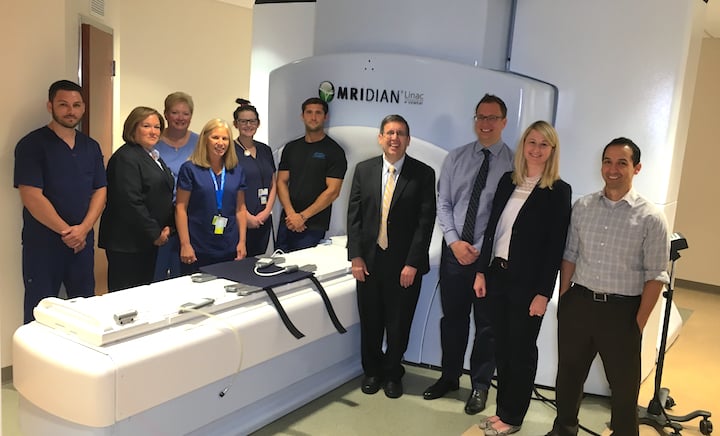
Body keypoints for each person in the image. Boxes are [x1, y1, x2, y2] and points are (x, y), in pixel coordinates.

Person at [546, 137, 670, 436]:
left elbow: (656, 275)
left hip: (622, 311)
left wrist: (637, 323)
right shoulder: (583, 206)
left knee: (624, 388)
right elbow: (570, 255)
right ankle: (564, 429)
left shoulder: (651, 217)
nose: (612, 169)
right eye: (607, 161)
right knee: (569, 377)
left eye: (622, 163)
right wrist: (565, 299)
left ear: (636, 168)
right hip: (579, 303)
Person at [472, 121, 571, 435]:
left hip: (528, 288)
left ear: (552, 151)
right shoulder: (508, 181)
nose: (536, 149)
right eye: (532, 142)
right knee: (501, 348)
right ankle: (502, 412)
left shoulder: (558, 190)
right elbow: (492, 231)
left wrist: (544, 293)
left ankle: (513, 418)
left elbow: (555, 247)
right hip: (497, 276)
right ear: (523, 145)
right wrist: (480, 271)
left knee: (521, 351)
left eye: (544, 144)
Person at [424, 94, 514, 415]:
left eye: (492, 118)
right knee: (453, 320)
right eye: (480, 117)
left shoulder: (514, 165)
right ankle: (449, 377)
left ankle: (479, 386)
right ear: (474, 120)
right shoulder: (455, 158)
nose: (485, 124)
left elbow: (510, 217)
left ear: (504, 122)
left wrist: (482, 251)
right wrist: (453, 242)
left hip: (490, 262)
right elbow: (444, 203)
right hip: (455, 254)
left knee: (487, 326)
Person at [347, 114, 436, 399]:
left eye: (400, 133)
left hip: (404, 266)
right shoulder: (364, 170)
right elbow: (355, 217)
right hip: (369, 263)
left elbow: (426, 222)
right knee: (371, 321)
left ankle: (393, 372)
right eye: (389, 132)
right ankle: (372, 371)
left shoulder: (422, 174)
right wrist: (356, 257)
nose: (394, 138)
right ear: (380, 138)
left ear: (408, 140)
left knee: (399, 324)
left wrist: (412, 262)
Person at [13, 79, 107, 323]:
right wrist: (68, 232)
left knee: (86, 309)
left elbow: (100, 190)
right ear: (50, 106)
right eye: (63, 104)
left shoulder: (91, 146)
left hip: (82, 244)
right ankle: (35, 362)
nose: (71, 111)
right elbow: (32, 196)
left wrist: (83, 230)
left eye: (76, 105)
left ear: (83, 108)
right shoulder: (31, 145)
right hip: (44, 245)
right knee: (40, 311)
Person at [99, 107, 175, 291]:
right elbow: (130, 202)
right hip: (128, 244)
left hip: (146, 241)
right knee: (126, 299)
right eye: (146, 126)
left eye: (157, 127)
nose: (153, 131)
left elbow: (161, 194)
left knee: (142, 295)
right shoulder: (126, 157)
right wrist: (155, 233)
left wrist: (168, 227)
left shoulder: (151, 155)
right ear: (133, 128)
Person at [276, 97, 347, 252]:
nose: (313, 117)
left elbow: (333, 191)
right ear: (302, 116)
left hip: (313, 225)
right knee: (276, 268)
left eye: (318, 113)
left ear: (325, 117)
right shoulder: (291, 148)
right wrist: (291, 214)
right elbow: (281, 181)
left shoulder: (334, 151)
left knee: (303, 273)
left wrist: (302, 217)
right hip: (287, 220)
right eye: (309, 112)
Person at [176, 119, 247, 269]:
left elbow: (240, 209)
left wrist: (242, 242)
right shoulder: (190, 169)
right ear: (204, 139)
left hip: (229, 245)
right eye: (215, 137)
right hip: (197, 246)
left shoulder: (236, 170)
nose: (220, 143)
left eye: (225, 138)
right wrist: (185, 244)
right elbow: (180, 209)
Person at [153, 92, 199, 281]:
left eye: (185, 113)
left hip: (191, 215)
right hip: (160, 218)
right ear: (165, 114)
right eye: (175, 112)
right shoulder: (152, 141)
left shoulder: (200, 142)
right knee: (158, 275)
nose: (180, 118)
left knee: (186, 276)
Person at [233, 98, 276, 256]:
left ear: (258, 123)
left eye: (252, 121)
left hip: (262, 219)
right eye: (243, 121)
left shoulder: (265, 149)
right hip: (239, 219)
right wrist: (246, 216)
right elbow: (229, 187)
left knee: (256, 263)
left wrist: (266, 212)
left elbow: (273, 182)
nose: (248, 125)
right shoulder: (230, 151)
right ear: (235, 124)